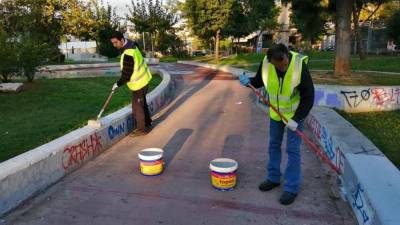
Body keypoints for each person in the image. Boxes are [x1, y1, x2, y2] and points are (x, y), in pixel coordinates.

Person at [239, 43, 314, 205]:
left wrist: (297, 118)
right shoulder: (267, 64)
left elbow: (309, 97)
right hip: (276, 114)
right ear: (271, 61)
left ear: (287, 56)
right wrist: (248, 81)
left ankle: (291, 188)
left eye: (284, 64)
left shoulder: (299, 66)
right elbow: (259, 81)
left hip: (295, 115)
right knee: (274, 144)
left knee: (292, 149)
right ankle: (273, 178)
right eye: (278, 66)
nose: (282, 68)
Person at [110, 31, 152, 136]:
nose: (114, 45)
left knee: (137, 107)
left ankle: (141, 130)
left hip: (139, 84)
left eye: (115, 42)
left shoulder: (128, 53)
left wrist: (117, 84)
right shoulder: (132, 44)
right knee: (142, 103)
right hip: (144, 80)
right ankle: (147, 122)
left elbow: (126, 75)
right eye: (113, 43)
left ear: (121, 40)